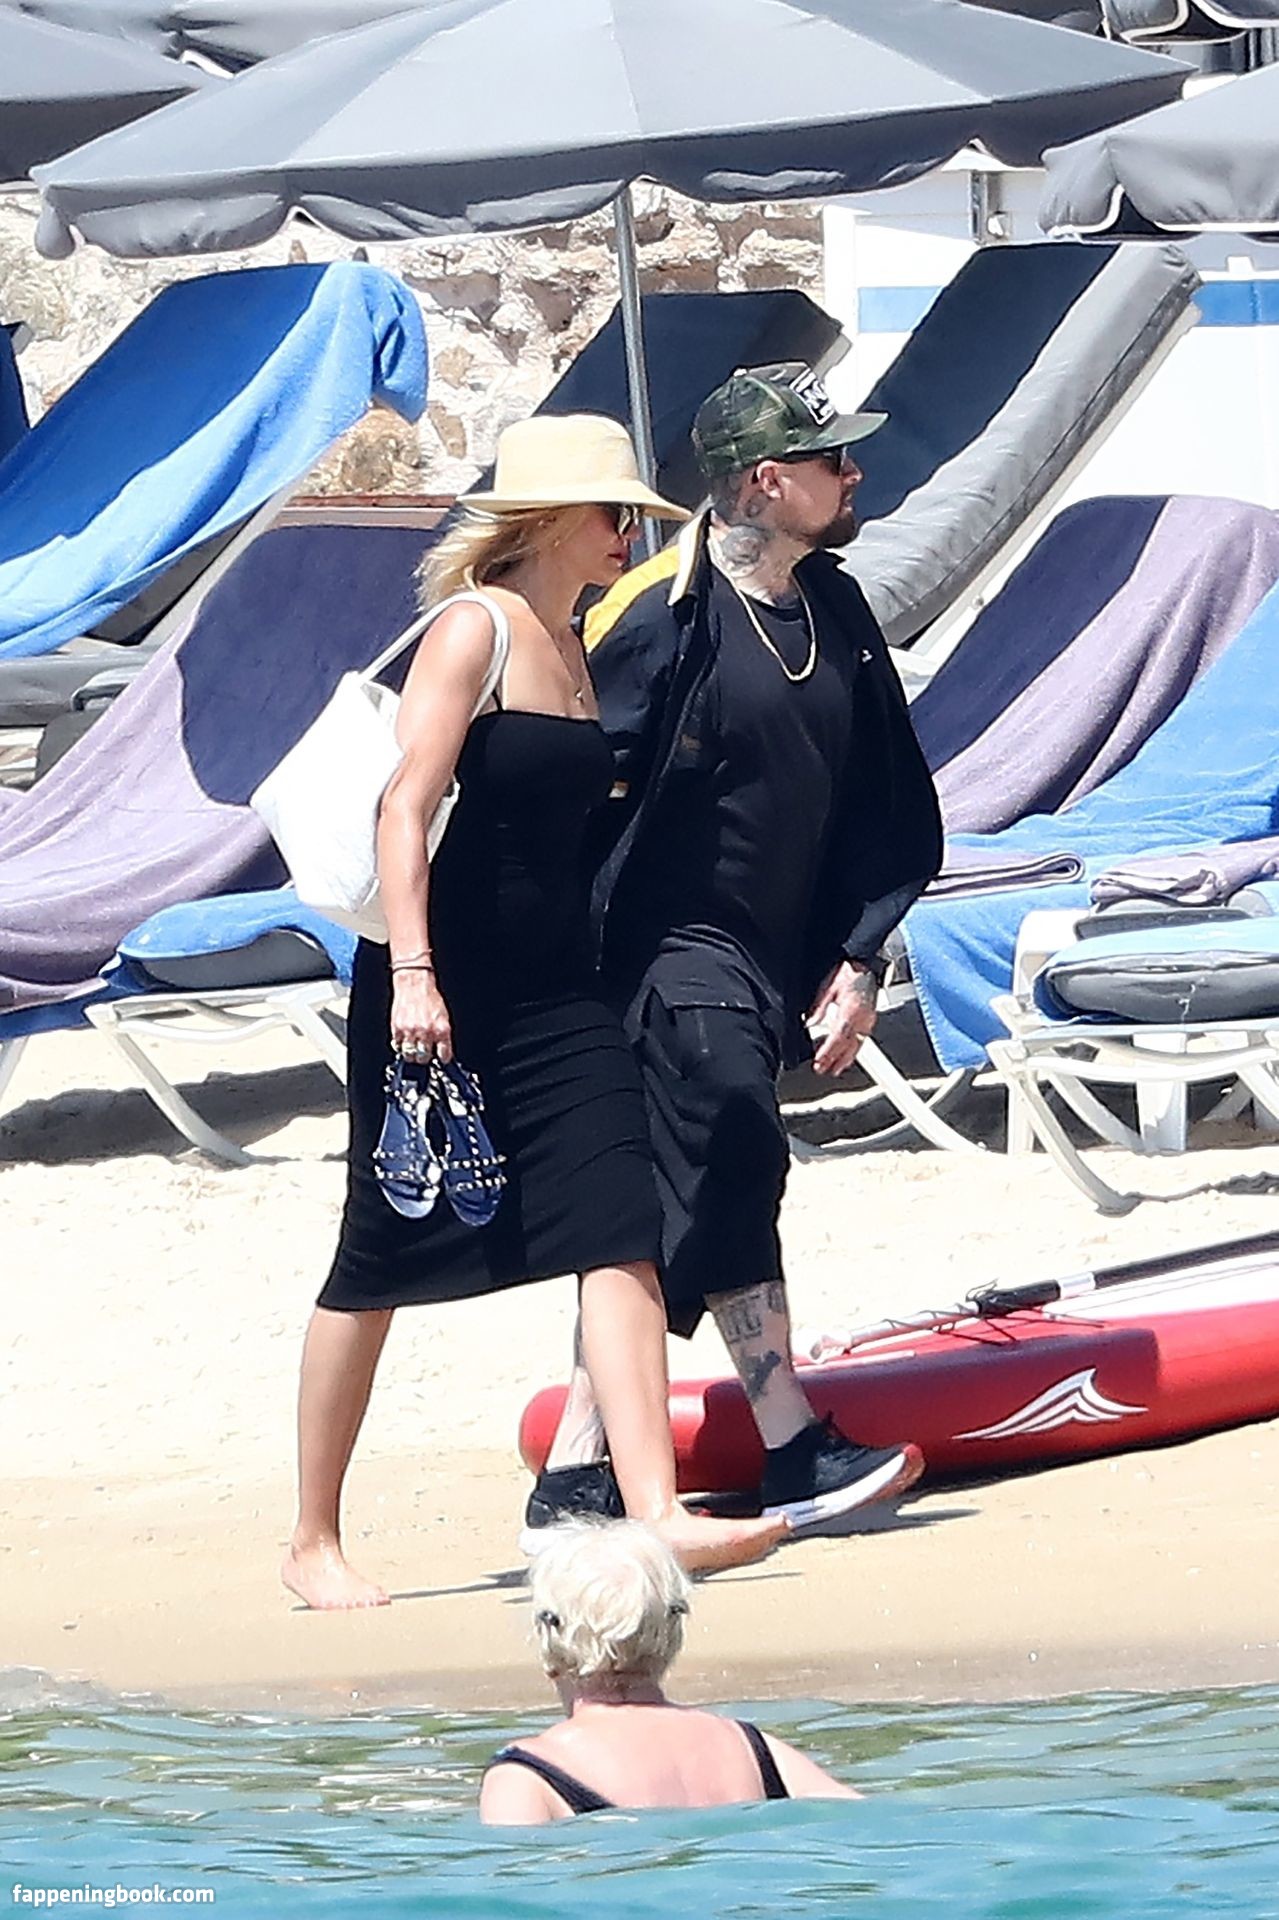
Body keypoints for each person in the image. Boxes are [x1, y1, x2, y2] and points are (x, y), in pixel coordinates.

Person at [282, 414, 789, 1611]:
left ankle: (656, 1510)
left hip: (560, 990)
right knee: (380, 1252)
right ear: (552, 520)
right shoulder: (477, 628)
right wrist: (415, 973)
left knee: (620, 1222)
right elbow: (403, 810)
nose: (627, 535)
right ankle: (311, 1538)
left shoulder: (572, 638)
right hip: (444, 988)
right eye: (613, 515)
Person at [528, 364, 944, 1542]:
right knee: (732, 1137)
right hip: (661, 951)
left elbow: (886, 799)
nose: (853, 474)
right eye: (831, 459)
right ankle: (790, 1445)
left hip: (775, 951)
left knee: (688, 1184)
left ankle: (577, 1473)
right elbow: (561, 789)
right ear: (765, 481)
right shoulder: (660, 615)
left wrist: (858, 957)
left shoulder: (835, 609)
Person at [480, 1519, 858, 1822]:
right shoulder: (751, 1747)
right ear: (672, 1634)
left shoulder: (527, 1775)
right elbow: (861, 1819)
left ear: (549, 1639)